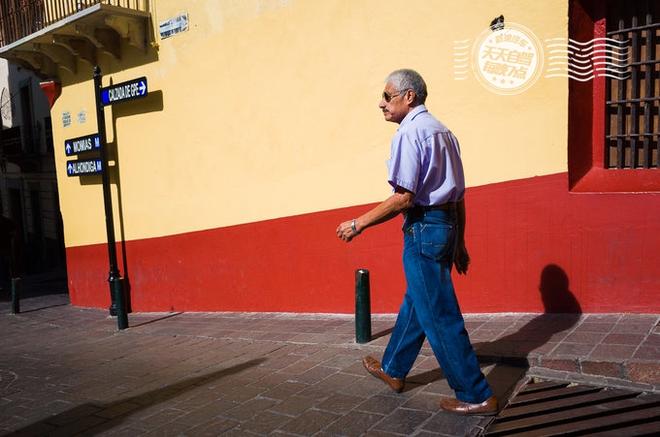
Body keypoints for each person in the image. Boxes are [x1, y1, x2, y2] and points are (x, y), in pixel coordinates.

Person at [336, 69, 497, 415]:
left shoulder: (410, 133)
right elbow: (458, 196)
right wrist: (461, 241)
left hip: (424, 229)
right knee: (418, 302)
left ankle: (475, 393)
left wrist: (357, 223)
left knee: (439, 314)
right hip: (446, 225)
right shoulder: (444, 131)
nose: (381, 103)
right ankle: (393, 369)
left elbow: (403, 198)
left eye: (387, 96)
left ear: (409, 97)